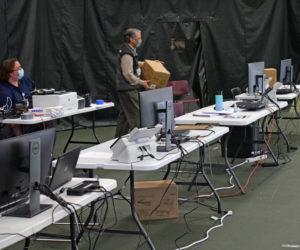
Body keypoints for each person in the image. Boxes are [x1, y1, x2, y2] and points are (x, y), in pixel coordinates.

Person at [115, 28, 151, 137]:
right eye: (138, 38)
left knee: (124, 117)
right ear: (131, 39)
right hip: (128, 89)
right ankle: (141, 140)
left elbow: (135, 64)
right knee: (137, 116)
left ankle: (117, 140)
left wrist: (151, 64)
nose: (140, 40)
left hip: (126, 88)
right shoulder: (127, 53)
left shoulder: (130, 50)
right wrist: (142, 82)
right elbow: (127, 73)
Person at [0, 58, 37, 138]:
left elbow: (35, 91)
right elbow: (9, 118)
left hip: (31, 116)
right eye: (18, 69)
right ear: (10, 73)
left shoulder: (25, 79)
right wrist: (20, 137)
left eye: (20, 67)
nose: (21, 70)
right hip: (15, 122)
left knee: (48, 124)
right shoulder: (4, 90)